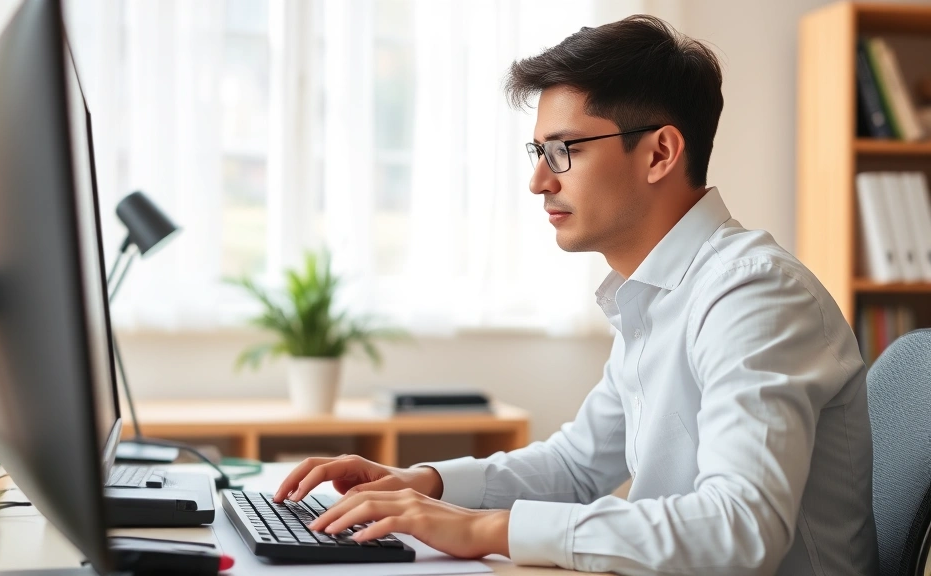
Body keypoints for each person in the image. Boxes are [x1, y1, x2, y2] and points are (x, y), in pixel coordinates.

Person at [273, 15, 877, 576]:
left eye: (564, 150)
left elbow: (740, 527)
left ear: (660, 152)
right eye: (538, 152)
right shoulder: (656, 293)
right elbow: (577, 466)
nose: (539, 181)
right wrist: (425, 484)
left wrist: (488, 528)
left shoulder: (753, 295)